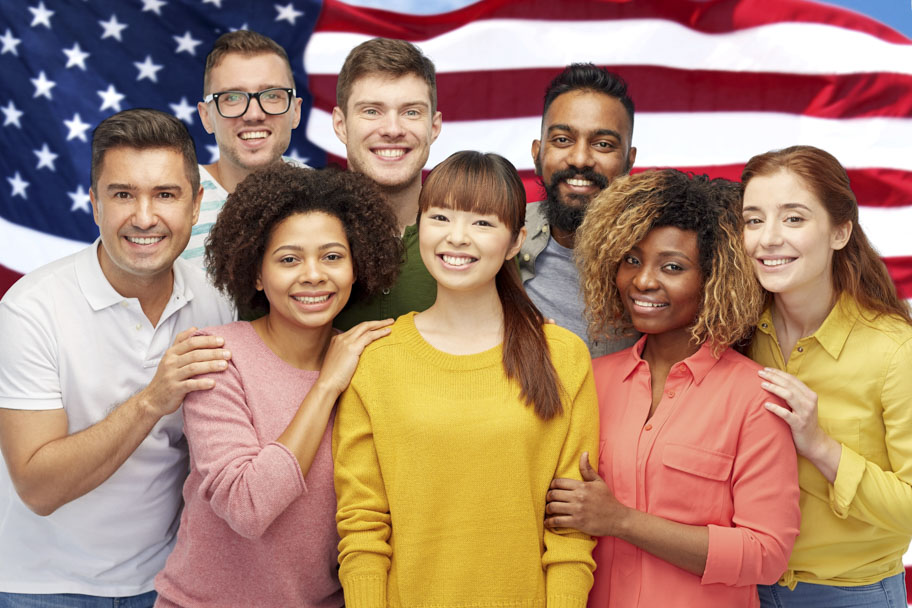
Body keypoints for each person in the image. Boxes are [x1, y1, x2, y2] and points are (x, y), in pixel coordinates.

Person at [333, 151, 599, 607]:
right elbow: (363, 526)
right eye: (440, 216)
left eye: (482, 223)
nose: (457, 238)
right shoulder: (377, 360)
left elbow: (570, 532)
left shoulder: (563, 356)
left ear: (516, 241)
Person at [0, 109, 234, 605]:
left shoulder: (218, 302)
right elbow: (37, 488)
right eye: (123, 194)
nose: (144, 217)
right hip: (40, 585)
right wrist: (153, 399)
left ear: (195, 207)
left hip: (164, 583)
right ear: (95, 204)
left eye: (165, 195)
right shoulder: (30, 309)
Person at [546, 169, 801, 607]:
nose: (643, 281)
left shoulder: (756, 398)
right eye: (631, 259)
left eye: (672, 267)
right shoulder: (589, 380)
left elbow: (767, 554)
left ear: (714, 279)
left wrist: (621, 521)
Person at [154, 164, 400, 607]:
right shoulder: (217, 357)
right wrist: (326, 387)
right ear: (254, 272)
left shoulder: (371, 364)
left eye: (332, 256)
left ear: (357, 264)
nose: (313, 275)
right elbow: (248, 507)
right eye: (289, 259)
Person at [741, 145, 912, 607]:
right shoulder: (733, 334)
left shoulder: (895, 350)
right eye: (753, 220)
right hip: (742, 588)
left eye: (793, 219)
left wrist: (820, 445)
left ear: (840, 232)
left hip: (853, 594)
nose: (767, 239)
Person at [521, 63, 639, 356]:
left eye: (603, 144)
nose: (580, 158)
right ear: (538, 152)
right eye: (562, 139)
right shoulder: (496, 235)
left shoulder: (658, 252)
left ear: (629, 160)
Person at [331, 37, 442, 329]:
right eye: (371, 111)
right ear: (341, 125)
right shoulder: (295, 231)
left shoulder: (473, 237)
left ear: (434, 127)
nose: (393, 130)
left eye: (411, 112)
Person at [183, 30, 305, 267]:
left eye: (271, 95)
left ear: (296, 111)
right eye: (231, 98)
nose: (254, 114)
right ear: (206, 117)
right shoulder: (170, 204)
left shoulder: (329, 200)